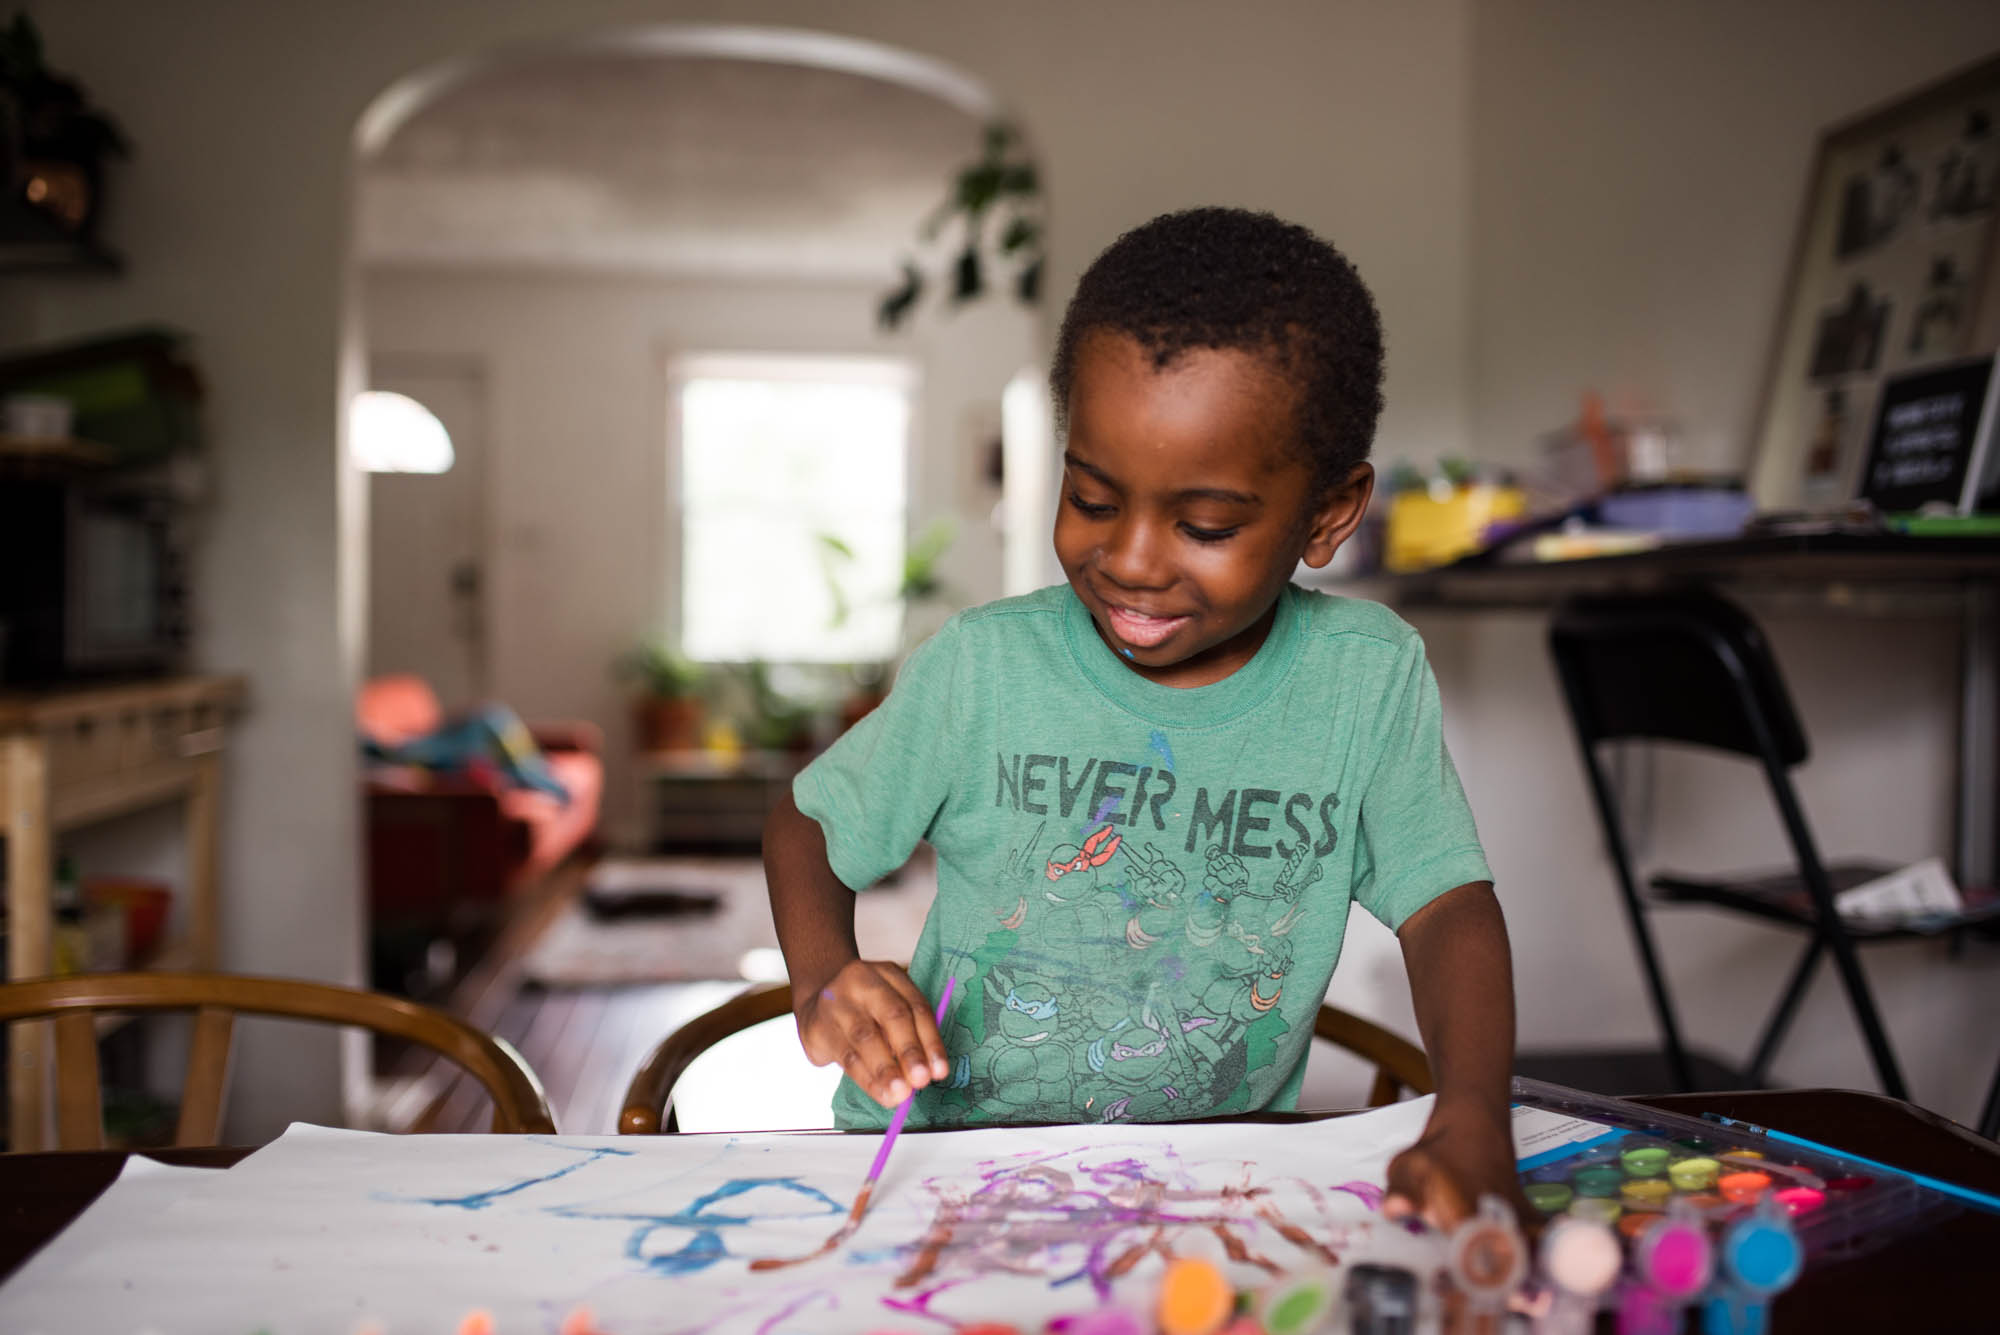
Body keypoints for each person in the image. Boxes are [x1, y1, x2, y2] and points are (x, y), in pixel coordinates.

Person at [765, 207, 1523, 1229]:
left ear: (1328, 514)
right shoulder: (983, 668)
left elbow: (1445, 908)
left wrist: (1474, 1111)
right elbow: (807, 825)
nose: (1127, 559)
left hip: (1205, 1194)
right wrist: (823, 979)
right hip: (934, 1177)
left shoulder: (1364, 680)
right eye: (1088, 496)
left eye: (1203, 525)